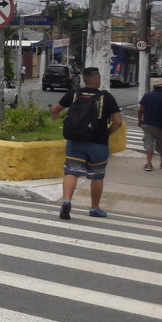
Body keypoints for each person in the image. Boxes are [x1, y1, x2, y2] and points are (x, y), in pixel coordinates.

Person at [50, 67, 123, 219]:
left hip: (75, 142)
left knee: (71, 172)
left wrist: (54, 119)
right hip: (98, 144)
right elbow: (118, 122)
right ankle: (94, 208)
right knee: (97, 176)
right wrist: (107, 133)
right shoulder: (107, 97)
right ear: (97, 81)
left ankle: (67, 201)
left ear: (84, 80)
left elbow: (56, 110)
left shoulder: (74, 94)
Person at [137, 77, 162, 171]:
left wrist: (140, 120)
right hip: (161, 126)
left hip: (148, 125)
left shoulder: (147, 96)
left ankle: (149, 165)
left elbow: (140, 110)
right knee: (161, 145)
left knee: (148, 145)